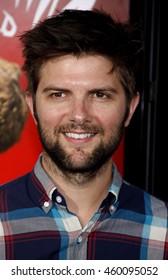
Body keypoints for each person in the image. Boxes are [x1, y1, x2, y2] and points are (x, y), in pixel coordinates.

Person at [0, 9, 167, 260]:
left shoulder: (163, 231)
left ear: (130, 109)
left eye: (99, 95)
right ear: (32, 106)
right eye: (59, 94)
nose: (79, 115)